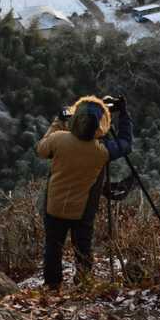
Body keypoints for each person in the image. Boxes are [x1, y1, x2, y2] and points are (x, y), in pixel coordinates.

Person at [35, 95, 133, 290]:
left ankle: (52, 285)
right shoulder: (101, 151)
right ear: (98, 126)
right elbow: (125, 143)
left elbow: (41, 149)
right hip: (82, 210)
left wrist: (59, 121)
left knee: (53, 246)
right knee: (83, 246)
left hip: (54, 205)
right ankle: (83, 283)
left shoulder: (58, 139)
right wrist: (124, 114)